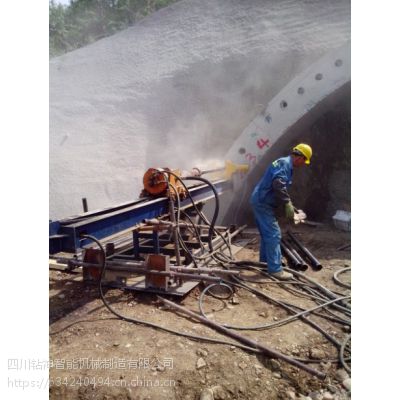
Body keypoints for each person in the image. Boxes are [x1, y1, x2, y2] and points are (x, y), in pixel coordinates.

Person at [250, 143, 312, 280]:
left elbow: (279, 186)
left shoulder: (284, 163)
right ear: (300, 157)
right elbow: (278, 184)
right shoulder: (285, 164)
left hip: (261, 200)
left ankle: (266, 264)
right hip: (263, 202)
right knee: (274, 234)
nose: (303, 164)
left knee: (267, 234)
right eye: (304, 161)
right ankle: (275, 270)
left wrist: (289, 204)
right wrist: (287, 203)